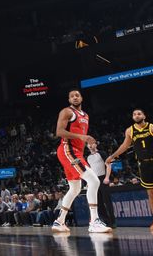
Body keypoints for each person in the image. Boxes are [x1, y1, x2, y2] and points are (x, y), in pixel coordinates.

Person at [105, 108, 153, 230]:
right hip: (144, 165)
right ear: (132, 117)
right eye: (134, 114)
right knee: (151, 193)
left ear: (144, 116)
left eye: (139, 114)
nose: (136, 116)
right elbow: (124, 146)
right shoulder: (130, 131)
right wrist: (112, 156)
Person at [52, 89, 111, 233]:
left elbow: (81, 136)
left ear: (82, 98)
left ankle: (59, 221)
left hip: (77, 152)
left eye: (77, 95)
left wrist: (86, 142)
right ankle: (94, 222)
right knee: (94, 181)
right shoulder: (66, 112)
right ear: (69, 100)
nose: (75, 97)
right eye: (72, 96)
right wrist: (81, 137)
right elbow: (59, 132)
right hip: (68, 150)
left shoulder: (85, 115)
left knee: (75, 189)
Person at [86, 141, 115, 228]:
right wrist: (88, 182)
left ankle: (113, 222)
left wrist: (107, 177)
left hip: (103, 178)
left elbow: (108, 165)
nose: (90, 145)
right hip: (94, 181)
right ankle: (106, 221)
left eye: (92, 143)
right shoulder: (88, 157)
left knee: (107, 201)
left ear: (96, 144)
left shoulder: (101, 153)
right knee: (98, 203)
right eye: (88, 144)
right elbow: (89, 170)